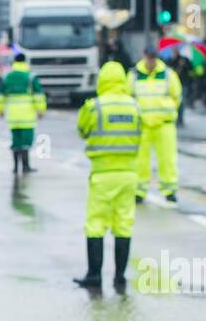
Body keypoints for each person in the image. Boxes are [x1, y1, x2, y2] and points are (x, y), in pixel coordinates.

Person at [73, 61, 142, 291]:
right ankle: (120, 277)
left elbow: (82, 130)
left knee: (95, 224)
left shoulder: (95, 107)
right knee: (124, 224)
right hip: (128, 175)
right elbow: (141, 134)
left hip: (102, 174)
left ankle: (94, 275)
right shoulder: (135, 107)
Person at [130, 44, 181, 203]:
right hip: (142, 125)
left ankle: (169, 190)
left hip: (163, 124)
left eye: (153, 58)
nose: (151, 61)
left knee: (167, 159)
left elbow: (176, 96)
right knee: (140, 160)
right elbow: (129, 96)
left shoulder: (167, 74)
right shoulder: (134, 75)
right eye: (149, 58)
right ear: (144, 56)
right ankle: (139, 190)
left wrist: (168, 111)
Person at [0, 51, 46, 175]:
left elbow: (1, 95)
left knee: (15, 140)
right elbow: (38, 96)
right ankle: (26, 166)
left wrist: (1, 110)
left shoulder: (7, 76)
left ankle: (15, 167)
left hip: (12, 115)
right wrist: (41, 110)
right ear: (25, 61)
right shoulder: (30, 76)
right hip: (27, 115)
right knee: (26, 141)